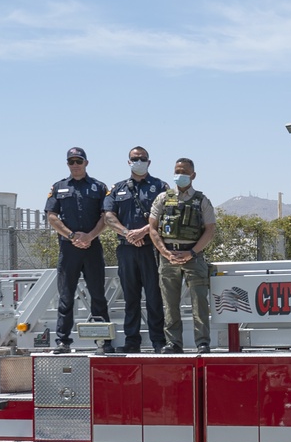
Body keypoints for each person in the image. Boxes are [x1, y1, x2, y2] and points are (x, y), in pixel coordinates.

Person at [44, 147, 113, 354]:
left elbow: (106, 216)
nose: (75, 165)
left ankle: (104, 341)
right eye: (71, 161)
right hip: (68, 249)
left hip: (92, 247)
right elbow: (51, 216)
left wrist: (90, 236)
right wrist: (72, 236)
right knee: (66, 296)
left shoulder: (98, 187)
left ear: (86, 163)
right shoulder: (59, 187)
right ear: (67, 164)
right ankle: (63, 341)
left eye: (78, 161)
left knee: (98, 296)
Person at [102, 146, 168, 353]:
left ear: (149, 161)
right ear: (128, 162)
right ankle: (132, 341)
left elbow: (167, 214)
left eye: (142, 158)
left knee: (154, 296)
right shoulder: (117, 188)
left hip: (151, 247)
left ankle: (159, 341)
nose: (138, 161)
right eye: (134, 158)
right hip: (126, 249)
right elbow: (108, 216)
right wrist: (127, 233)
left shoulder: (160, 186)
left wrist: (143, 231)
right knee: (130, 297)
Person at [148, 158, 216, 354]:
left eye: (184, 172)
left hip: (194, 257)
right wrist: (165, 252)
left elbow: (210, 230)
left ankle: (202, 342)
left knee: (199, 302)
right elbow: (153, 228)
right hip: (168, 256)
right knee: (170, 304)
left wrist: (192, 252)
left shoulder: (202, 200)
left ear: (193, 175)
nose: (180, 175)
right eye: (177, 171)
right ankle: (173, 343)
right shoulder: (162, 198)